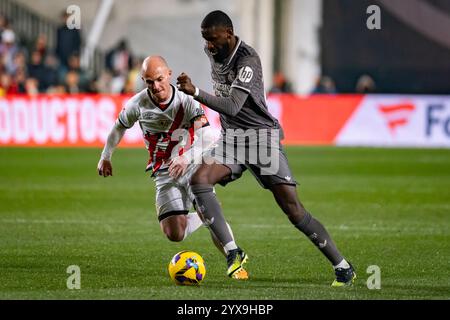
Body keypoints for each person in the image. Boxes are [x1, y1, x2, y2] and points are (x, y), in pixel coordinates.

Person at [176, 10, 356, 287]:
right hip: (232, 140)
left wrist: (196, 92)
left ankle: (343, 266)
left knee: (293, 210)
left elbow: (234, 105)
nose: (208, 45)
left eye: (212, 39)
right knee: (198, 179)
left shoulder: (248, 59)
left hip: (261, 140)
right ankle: (233, 252)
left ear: (228, 33)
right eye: (205, 39)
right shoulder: (214, 51)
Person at [97, 55, 248, 279]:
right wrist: (105, 156)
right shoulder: (137, 104)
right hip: (163, 171)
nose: (156, 86)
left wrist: (186, 157)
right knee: (174, 233)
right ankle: (207, 213)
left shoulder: (186, 101)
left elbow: (208, 136)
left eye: (159, 79)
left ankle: (234, 256)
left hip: (193, 163)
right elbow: (118, 128)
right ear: (143, 80)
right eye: (149, 82)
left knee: (207, 210)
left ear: (168, 74)